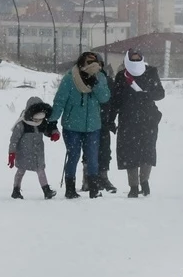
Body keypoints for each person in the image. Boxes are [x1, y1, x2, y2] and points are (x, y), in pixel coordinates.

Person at [49, 51, 110, 199]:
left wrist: (95, 84)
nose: (92, 65)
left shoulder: (100, 77)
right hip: (72, 127)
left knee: (92, 158)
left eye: (94, 62)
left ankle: (94, 189)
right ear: (81, 62)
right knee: (74, 156)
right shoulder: (70, 78)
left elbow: (105, 98)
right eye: (89, 62)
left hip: (93, 126)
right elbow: (60, 101)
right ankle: (70, 189)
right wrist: (52, 121)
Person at [108, 48, 165, 198]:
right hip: (128, 120)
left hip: (148, 119)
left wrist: (146, 95)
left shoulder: (151, 72)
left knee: (147, 152)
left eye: (137, 58)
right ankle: (133, 186)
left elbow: (160, 93)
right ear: (127, 59)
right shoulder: (122, 76)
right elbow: (116, 100)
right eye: (132, 59)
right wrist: (110, 119)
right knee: (129, 153)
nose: (135, 61)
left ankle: (144, 181)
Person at [8, 95, 61, 200]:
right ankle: (16, 190)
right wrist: (12, 153)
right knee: (20, 171)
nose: (38, 121)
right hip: (24, 153)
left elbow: (48, 130)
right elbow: (14, 140)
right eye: (36, 119)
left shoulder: (42, 123)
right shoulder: (21, 124)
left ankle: (46, 191)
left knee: (41, 170)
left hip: (38, 152)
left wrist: (54, 133)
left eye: (40, 119)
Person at [81, 54, 119, 194]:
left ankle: (103, 177)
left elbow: (113, 102)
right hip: (88, 121)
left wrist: (111, 119)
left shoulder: (108, 80)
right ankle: (87, 179)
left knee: (105, 150)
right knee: (88, 150)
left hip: (103, 121)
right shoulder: (82, 78)